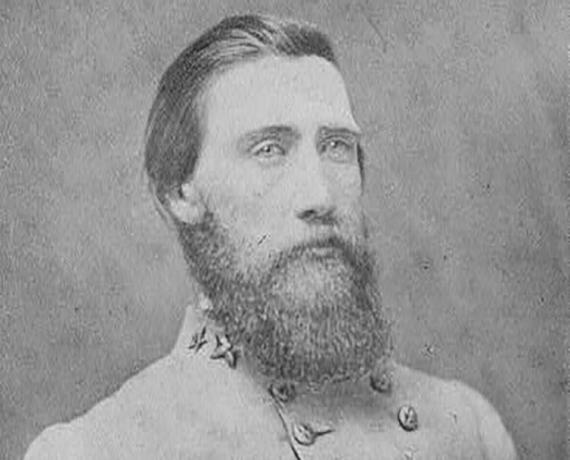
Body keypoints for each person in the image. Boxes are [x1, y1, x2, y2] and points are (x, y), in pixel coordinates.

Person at [24, 14, 517, 459]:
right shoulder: (96, 449)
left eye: (337, 146)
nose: (320, 194)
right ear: (180, 193)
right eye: (269, 149)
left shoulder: (468, 430)